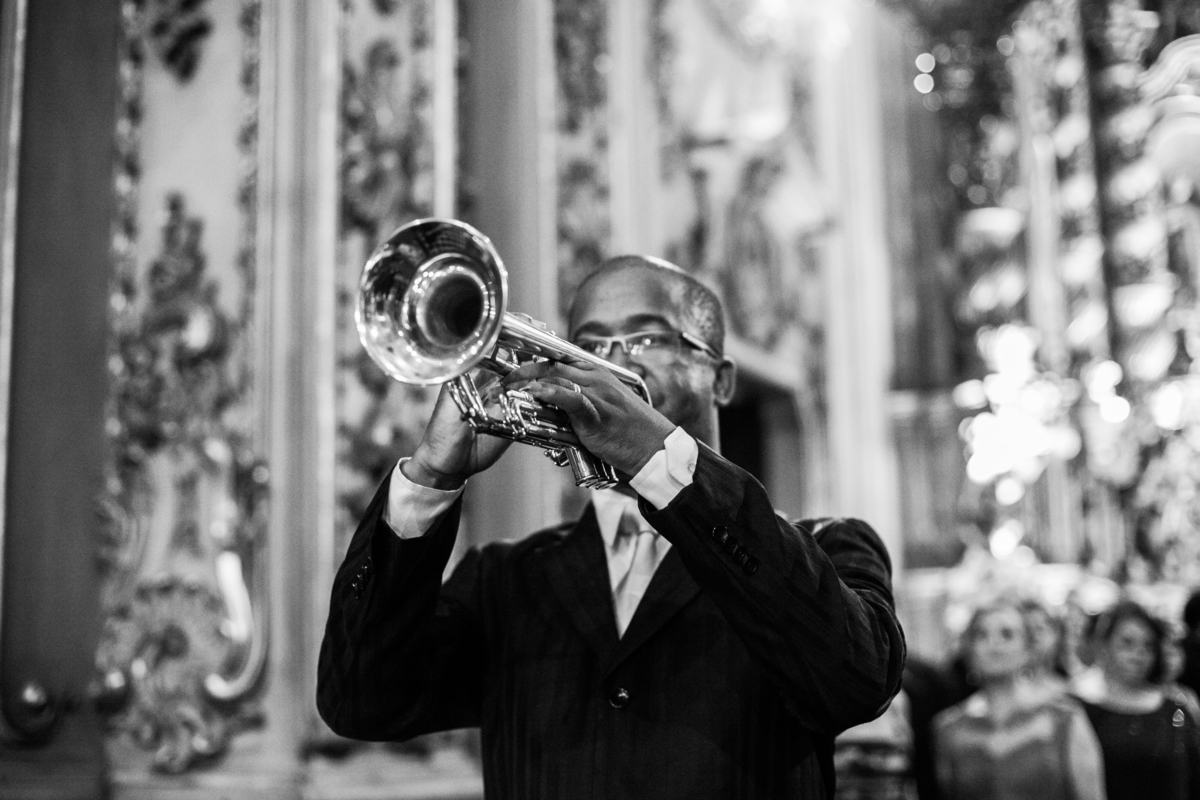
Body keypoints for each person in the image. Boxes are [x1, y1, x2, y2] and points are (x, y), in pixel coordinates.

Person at [317, 254, 906, 799]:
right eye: (590, 343)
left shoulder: (830, 545)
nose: (616, 360)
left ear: (721, 379)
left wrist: (657, 456)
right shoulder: (505, 578)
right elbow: (360, 700)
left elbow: (854, 684)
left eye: (647, 337)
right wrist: (429, 477)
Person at [934, 600, 1105, 800]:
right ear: (969, 650)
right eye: (981, 635)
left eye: (1007, 634)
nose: (994, 643)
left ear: (1028, 648)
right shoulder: (949, 729)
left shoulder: (1063, 719)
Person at [1073, 600, 1200, 800]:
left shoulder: (1176, 708)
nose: (1138, 654)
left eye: (1148, 645)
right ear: (1104, 645)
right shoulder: (1079, 708)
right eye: (1127, 642)